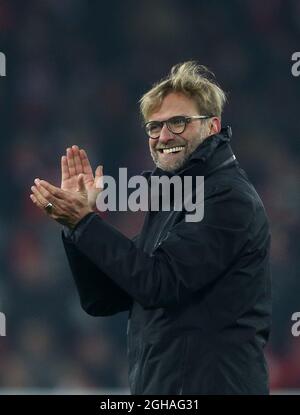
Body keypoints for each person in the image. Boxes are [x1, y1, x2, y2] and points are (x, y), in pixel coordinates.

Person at [30, 61, 272, 395]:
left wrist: (84, 223)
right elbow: (103, 298)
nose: (164, 136)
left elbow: (159, 283)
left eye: (178, 122)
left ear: (213, 126)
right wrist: (76, 228)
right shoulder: (174, 197)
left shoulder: (227, 197)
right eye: (154, 127)